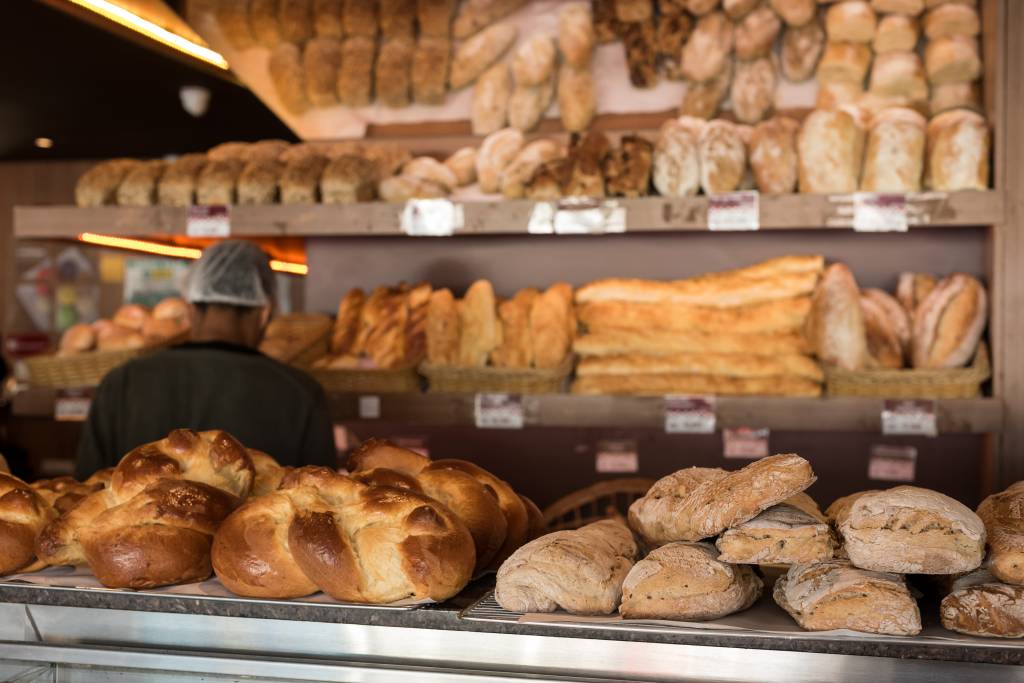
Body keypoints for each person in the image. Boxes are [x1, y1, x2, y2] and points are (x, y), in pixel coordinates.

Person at [75, 241, 335, 478]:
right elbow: (319, 497)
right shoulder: (300, 393)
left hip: (130, 531)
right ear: (265, 311)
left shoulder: (122, 383)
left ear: (190, 306)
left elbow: (87, 490)